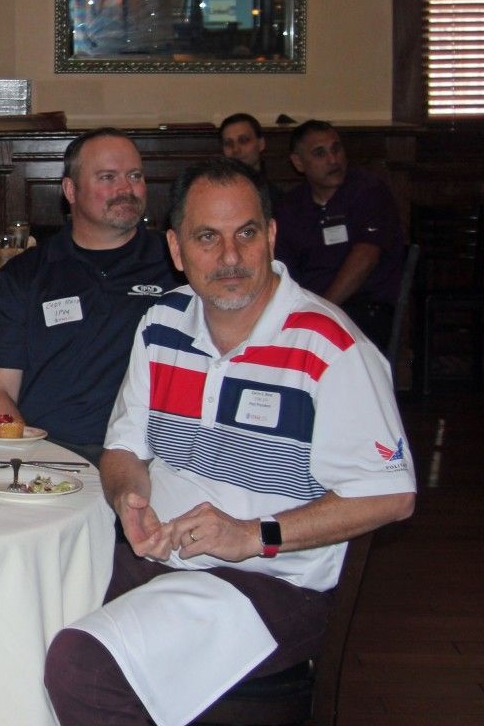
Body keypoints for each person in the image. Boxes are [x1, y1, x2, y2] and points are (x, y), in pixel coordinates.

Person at [43, 158, 416, 726]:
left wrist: (251, 535)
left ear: (270, 235)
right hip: (161, 560)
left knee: (84, 666)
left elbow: (391, 496)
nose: (231, 258)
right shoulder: (162, 325)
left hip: (271, 584)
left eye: (245, 233)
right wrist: (129, 500)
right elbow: (123, 451)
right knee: (16, 615)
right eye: (207, 238)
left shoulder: (329, 348)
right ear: (175, 248)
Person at [0, 128, 180, 461]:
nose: (125, 189)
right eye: (107, 177)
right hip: (51, 453)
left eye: (134, 176)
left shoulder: (177, 266)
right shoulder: (25, 275)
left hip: (154, 458)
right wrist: (24, 461)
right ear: (70, 189)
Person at [274, 120, 405, 352]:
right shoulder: (291, 207)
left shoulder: (368, 192)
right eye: (320, 153)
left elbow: (366, 257)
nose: (333, 160)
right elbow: (281, 267)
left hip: (363, 309)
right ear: (298, 163)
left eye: (336, 149)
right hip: (308, 308)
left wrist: (323, 310)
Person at [219, 112, 283, 209]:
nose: (236, 149)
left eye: (243, 140)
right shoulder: (216, 195)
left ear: (261, 144)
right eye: (228, 143)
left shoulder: (278, 200)